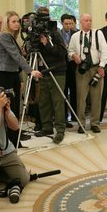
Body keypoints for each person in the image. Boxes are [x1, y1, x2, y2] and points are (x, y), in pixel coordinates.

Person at [0, 11, 42, 144]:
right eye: (13, 21)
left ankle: (14, 140)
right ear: (6, 23)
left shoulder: (11, 37)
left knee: (15, 109)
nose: (17, 24)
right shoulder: (4, 36)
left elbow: (16, 58)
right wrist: (30, 71)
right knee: (8, 109)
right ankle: (9, 141)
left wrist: (19, 78)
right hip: (4, 75)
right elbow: (16, 56)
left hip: (13, 74)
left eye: (17, 21)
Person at [68, 13, 107, 133]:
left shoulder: (98, 34)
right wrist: (73, 55)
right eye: (86, 20)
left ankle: (94, 123)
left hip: (96, 68)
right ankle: (81, 124)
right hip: (81, 69)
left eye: (90, 20)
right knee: (81, 98)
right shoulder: (75, 36)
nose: (89, 22)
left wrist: (102, 66)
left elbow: (106, 52)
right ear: (80, 22)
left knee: (96, 98)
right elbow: (69, 51)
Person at [35, 16, 68, 144]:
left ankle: (60, 130)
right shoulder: (36, 36)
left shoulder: (55, 33)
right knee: (44, 102)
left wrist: (47, 44)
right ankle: (47, 127)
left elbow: (62, 52)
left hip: (57, 72)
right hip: (43, 72)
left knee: (58, 102)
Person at [60, 14, 76, 127]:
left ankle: (75, 116)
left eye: (70, 23)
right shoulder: (57, 34)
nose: (68, 26)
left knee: (75, 91)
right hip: (62, 67)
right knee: (64, 92)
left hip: (74, 67)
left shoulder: (76, 34)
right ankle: (64, 118)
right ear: (62, 23)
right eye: (66, 24)